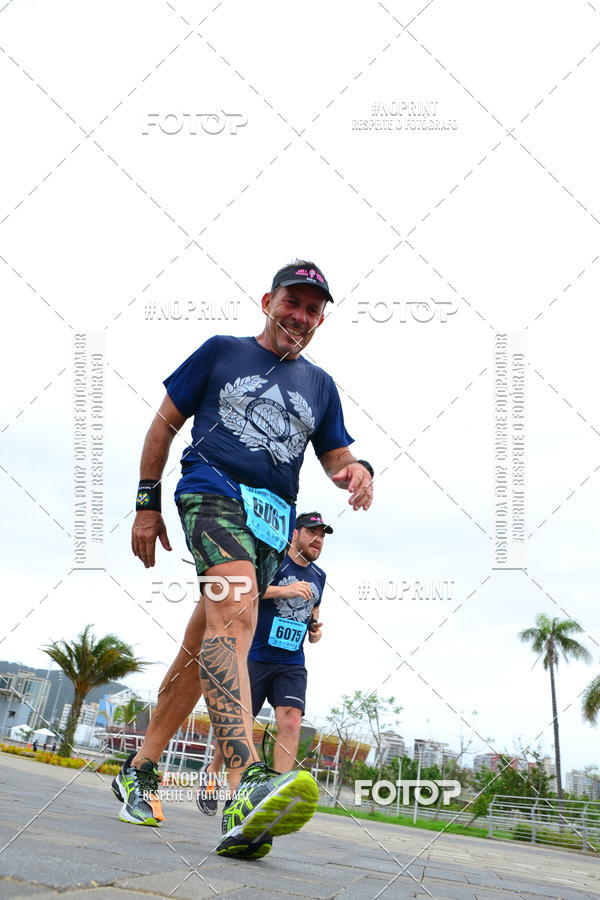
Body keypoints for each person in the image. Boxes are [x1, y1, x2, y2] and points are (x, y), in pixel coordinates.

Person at [112, 259, 374, 860]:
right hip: (211, 490)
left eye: (313, 310)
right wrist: (147, 505)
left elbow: (336, 457)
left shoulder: (320, 385)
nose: (300, 317)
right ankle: (245, 785)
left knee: (204, 641)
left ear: (320, 321)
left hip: (270, 523)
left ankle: (141, 768)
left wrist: (356, 470)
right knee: (238, 619)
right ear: (267, 301)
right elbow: (163, 424)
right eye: (293, 303)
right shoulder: (222, 352)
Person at [197, 511, 330, 816]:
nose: (317, 540)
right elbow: (247, 592)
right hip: (256, 655)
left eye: (322, 535)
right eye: (312, 532)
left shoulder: (320, 576)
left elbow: (314, 609)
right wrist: (285, 590)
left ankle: (277, 796)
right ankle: (213, 773)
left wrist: (315, 629)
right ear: (295, 534)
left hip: (291, 661)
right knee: (239, 726)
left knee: (292, 720)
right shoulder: (274, 561)